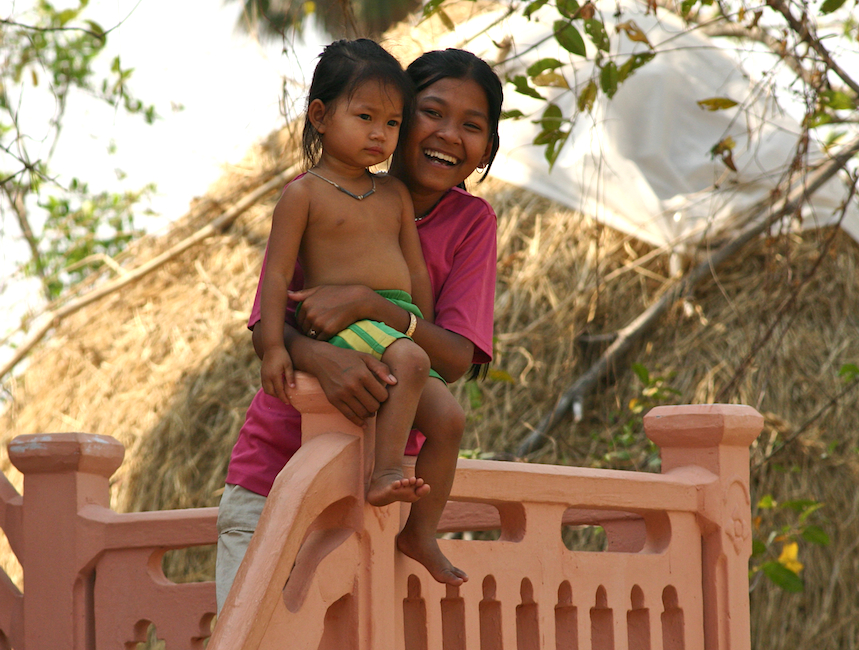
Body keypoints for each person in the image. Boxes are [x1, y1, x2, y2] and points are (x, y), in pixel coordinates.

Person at [216, 45, 503, 612]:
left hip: (378, 488)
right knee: (252, 624)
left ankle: (421, 532)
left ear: (487, 147)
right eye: (431, 112)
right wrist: (320, 358)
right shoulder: (313, 194)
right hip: (279, 463)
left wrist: (372, 304)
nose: (449, 134)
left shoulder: (471, 223)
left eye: (472, 126)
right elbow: (271, 315)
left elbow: (453, 357)